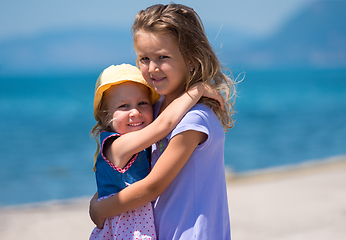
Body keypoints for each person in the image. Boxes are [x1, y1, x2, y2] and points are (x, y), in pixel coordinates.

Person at [90, 3, 236, 240]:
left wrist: (99, 208)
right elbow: (127, 172)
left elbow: (153, 186)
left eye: (162, 57)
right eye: (144, 58)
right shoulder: (153, 111)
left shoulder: (194, 120)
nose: (153, 68)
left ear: (191, 60)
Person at [89, 63, 223, 240]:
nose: (135, 112)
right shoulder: (116, 146)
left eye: (143, 103)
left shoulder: (137, 145)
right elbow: (164, 125)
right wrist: (196, 91)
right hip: (124, 232)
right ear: (105, 114)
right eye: (123, 106)